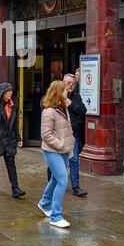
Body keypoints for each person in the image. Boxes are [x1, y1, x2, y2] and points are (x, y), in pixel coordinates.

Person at [38, 80, 75, 228]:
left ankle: (45, 203)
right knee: (62, 180)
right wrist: (60, 144)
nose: (67, 91)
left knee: (55, 179)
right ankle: (56, 216)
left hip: (64, 150)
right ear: (58, 92)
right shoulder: (48, 112)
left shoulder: (63, 108)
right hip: (52, 150)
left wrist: (69, 144)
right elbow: (46, 135)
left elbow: (67, 129)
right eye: (65, 90)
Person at [63, 73, 87, 197]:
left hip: (73, 135)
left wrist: (70, 103)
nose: (71, 85)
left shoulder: (76, 97)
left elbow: (83, 111)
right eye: (68, 83)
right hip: (60, 135)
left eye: (73, 83)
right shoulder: (57, 95)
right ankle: (52, 182)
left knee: (74, 160)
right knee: (57, 161)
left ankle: (76, 187)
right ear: (63, 83)